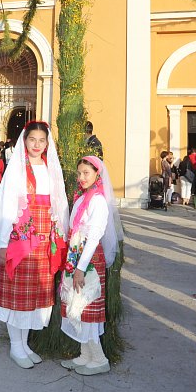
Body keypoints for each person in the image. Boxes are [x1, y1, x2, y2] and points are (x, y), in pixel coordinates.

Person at [0, 120, 69, 369]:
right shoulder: (17, 169)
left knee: (35, 292)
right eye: (32, 139)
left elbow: (59, 202)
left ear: (47, 144)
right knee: (18, 292)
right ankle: (16, 345)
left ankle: (25, 344)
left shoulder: (49, 167)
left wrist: (60, 232)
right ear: (25, 141)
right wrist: (4, 242)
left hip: (45, 237)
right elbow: (6, 205)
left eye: (41, 140)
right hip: (21, 237)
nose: (36, 144)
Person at [60, 155, 123, 375]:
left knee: (86, 307)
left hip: (88, 261)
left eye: (86, 173)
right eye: (79, 173)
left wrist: (79, 268)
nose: (82, 177)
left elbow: (94, 236)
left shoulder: (98, 201)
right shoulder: (82, 197)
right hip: (76, 256)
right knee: (76, 305)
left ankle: (99, 359)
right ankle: (85, 355)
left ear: (97, 174)